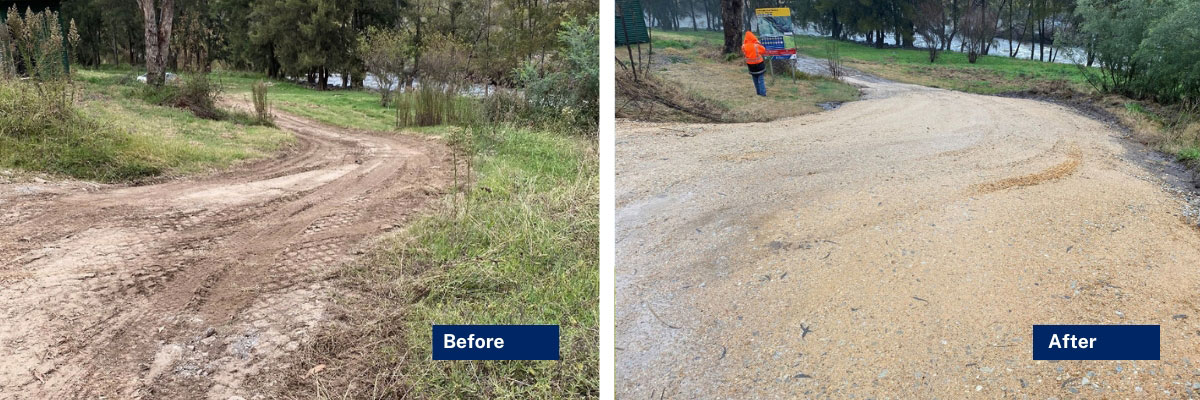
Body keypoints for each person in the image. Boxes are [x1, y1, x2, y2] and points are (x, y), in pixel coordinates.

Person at [742, 31, 768, 97]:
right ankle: (763, 93)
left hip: (750, 66)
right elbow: (763, 50)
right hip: (759, 65)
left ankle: (758, 92)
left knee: (755, 79)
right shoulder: (756, 45)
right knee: (761, 79)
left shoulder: (743, 46)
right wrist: (758, 42)